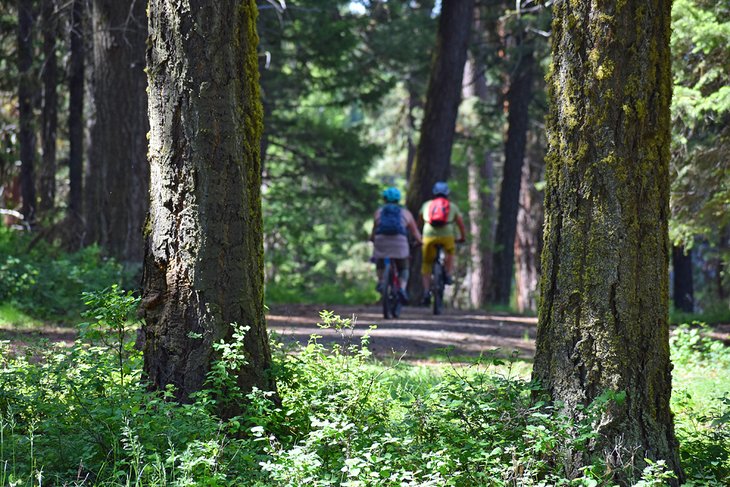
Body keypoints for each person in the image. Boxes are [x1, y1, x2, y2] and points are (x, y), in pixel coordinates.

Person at [370, 187, 422, 304]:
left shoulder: (379, 212)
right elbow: (415, 232)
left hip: (381, 240)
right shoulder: (406, 213)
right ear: (398, 200)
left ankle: (381, 281)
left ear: (384, 199)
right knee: (404, 266)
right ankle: (402, 289)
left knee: (380, 260)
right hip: (400, 242)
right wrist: (419, 241)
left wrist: (373, 239)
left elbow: (374, 232)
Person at [419, 181, 466, 304]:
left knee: (426, 263)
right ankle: (448, 274)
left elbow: (419, 222)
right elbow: (461, 225)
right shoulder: (452, 206)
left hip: (428, 236)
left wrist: (419, 236)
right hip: (447, 236)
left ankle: (426, 291)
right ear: (447, 193)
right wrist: (462, 237)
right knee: (450, 253)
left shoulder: (426, 205)